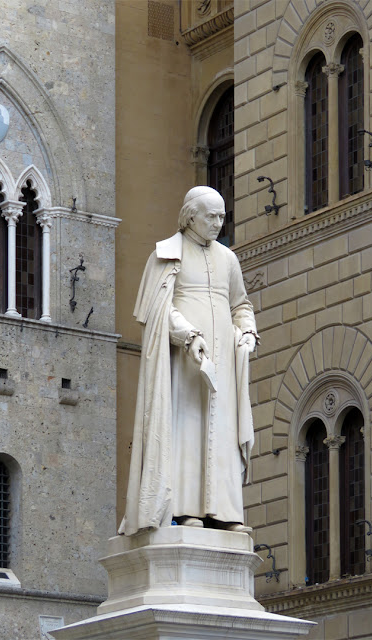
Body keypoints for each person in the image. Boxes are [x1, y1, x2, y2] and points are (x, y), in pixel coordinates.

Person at [118, 186, 259, 536]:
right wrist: (188, 336)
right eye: (211, 216)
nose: (218, 223)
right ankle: (186, 509)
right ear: (190, 216)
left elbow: (240, 305)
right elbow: (156, 310)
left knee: (222, 431)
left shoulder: (229, 259)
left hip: (222, 364)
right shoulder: (167, 254)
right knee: (185, 430)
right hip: (183, 364)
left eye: (222, 216)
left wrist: (247, 332)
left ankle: (224, 511)